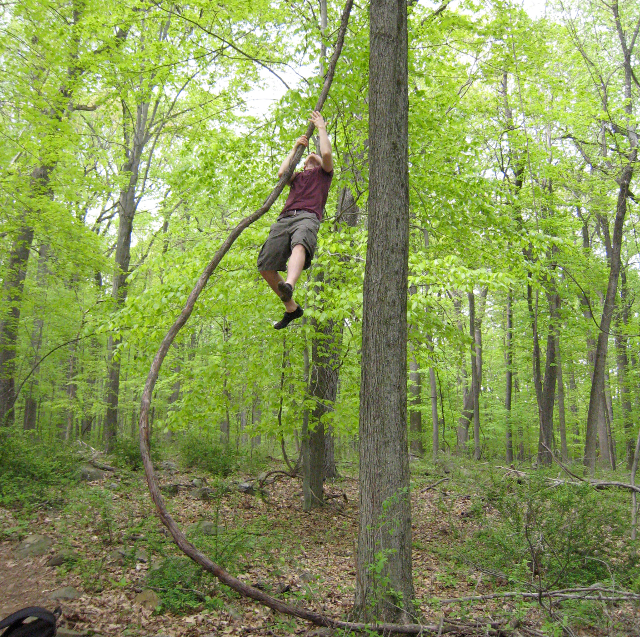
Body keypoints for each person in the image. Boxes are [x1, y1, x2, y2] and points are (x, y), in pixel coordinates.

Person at [257, 111, 334, 329]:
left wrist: (320, 127)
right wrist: (294, 149)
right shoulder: (298, 177)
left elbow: (326, 155)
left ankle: (289, 283)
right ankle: (292, 308)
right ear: (302, 165)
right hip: (284, 218)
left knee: (300, 243)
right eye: (308, 157)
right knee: (265, 266)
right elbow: (282, 173)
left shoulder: (323, 175)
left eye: (315, 156)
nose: (312, 155)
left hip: (308, 217)